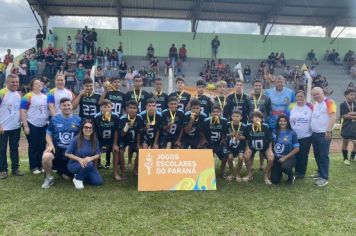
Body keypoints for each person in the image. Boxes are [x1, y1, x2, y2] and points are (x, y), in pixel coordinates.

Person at [41, 98, 81, 189]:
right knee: (46, 156)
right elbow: (48, 134)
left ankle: (62, 170)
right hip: (57, 149)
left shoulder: (78, 119)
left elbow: (81, 136)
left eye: (68, 105)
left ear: (72, 106)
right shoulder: (54, 119)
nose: (67, 107)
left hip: (70, 151)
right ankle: (48, 178)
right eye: (64, 105)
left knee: (67, 178)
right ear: (60, 107)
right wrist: (50, 145)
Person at [20, 79, 49, 174]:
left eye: (40, 83)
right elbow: (23, 111)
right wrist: (25, 126)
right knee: (33, 146)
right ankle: (34, 166)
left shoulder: (45, 96)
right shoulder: (28, 96)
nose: (39, 84)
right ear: (32, 86)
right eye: (36, 83)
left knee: (42, 146)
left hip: (43, 125)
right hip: (32, 124)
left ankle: (41, 165)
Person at [65, 119, 103, 189]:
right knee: (89, 163)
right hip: (74, 164)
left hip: (88, 164)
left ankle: (81, 174)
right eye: (86, 127)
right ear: (82, 128)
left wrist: (90, 158)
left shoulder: (95, 140)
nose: (88, 129)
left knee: (98, 182)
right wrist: (80, 160)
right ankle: (78, 179)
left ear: (92, 129)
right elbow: (67, 154)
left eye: (90, 127)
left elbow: (98, 154)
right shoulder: (76, 139)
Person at [310, 87, 336, 187]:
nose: (316, 96)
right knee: (317, 154)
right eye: (314, 95)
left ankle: (324, 178)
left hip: (324, 134)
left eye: (318, 93)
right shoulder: (315, 104)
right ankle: (320, 172)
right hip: (315, 134)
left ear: (323, 93)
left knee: (323, 155)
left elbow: (333, 116)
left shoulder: (329, 102)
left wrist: (328, 130)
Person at [0, 74, 23, 179]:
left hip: (16, 127)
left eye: (17, 82)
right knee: (2, 149)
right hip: (3, 128)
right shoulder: (2, 93)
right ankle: (3, 170)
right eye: (13, 82)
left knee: (14, 148)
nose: (15, 84)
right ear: (7, 82)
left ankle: (15, 169)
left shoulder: (18, 94)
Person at [243, 111, 274, 185]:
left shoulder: (265, 126)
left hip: (264, 146)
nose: (257, 119)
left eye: (259, 117)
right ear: (252, 118)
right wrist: (247, 148)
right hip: (252, 146)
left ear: (262, 119)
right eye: (255, 117)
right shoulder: (248, 126)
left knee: (271, 158)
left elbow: (270, 139)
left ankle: (266, 175)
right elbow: (246, 138)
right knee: (246, 156)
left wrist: (270, 150)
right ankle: (249, 173)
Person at [288, 90, 313, 179]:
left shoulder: (310, 108)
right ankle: (294, 170)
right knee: (294, 154)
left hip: (306, 136)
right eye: (298, 96)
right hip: (293, 136)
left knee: (303, 154)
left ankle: (301, 172)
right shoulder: (291, 108)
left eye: (301, 96)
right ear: (295, 98)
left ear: (304, 98)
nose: (300, 98)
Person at [116, 101, 144, 179]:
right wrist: (126, 127)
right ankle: (123, 172)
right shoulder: (122, 118)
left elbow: (139, 132)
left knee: (140, 150)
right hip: (124, 139)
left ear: (137, 109)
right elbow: (121, 134)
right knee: (121, 151)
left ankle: (135, 169)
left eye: (134, 108)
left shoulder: (139, 118)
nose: (132, 110)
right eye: (130, 108)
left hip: (134, 139)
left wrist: (138, 144)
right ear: (127, 109)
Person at [201, 105, 229, 179]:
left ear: (220, 113)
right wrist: (204, 139)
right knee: (206, 157)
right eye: (214, 112)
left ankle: (222, 172)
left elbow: (225, 132)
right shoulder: (206, 121)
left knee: (225, 156)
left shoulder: (224, 121)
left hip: (219, 143)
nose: (216, 113)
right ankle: (207, 173)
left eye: (218, 112)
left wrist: (223, 139)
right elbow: (201, 131)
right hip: (209, 143)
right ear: (211, 113)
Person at [271, 115, 299, 184]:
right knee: (275, 181)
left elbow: (297, 149)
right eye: (280, 121)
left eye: (284, 121)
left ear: (287, 122)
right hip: (277, 158)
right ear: (278, 122)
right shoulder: (274, 132)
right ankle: (279, 173)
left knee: (285, 167)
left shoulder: (292, 133)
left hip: (289, 158)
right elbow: (270, 145)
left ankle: (291, 177)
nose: (282, 123)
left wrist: (285, 157)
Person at [94, 99, 120, 169]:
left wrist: (115, 144)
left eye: (108, 107)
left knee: (112, 149)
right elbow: (95, 131)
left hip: (111, 139)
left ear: (112, 107)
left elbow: (116, 131)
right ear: (101, 108)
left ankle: (108, 164)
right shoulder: (97, 117)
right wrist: (95, 143)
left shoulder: (115, 116)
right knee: (96, 150)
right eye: (104, 107)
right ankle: (97, 165)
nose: (107, 109)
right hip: (100, 139)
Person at [226, 110, 246, 182]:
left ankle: (237, 173)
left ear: (241, 117)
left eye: (237, 116)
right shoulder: (227, 124)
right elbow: (224, 134)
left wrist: (239, 137)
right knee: (230, 157)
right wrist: (230, 135)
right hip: (230, 145)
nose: (235, 118)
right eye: (234, 116)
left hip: (240, 145)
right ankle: (232, 173)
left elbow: (245, 137)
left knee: (240, 158)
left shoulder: (243, 126)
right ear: (231, 117)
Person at [340, 89, 356, 165]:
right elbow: (345, 116)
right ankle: (345, 159)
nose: (353, 96)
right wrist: (352, 115)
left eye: (354, 95)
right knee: (345, 142)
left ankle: (352, 157)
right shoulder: (343, 104)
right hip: (346, 126)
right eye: (351, 94)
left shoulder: (355, 103)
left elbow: (348, 115)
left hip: (354, 126)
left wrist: (351, 113)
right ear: (346, 96)